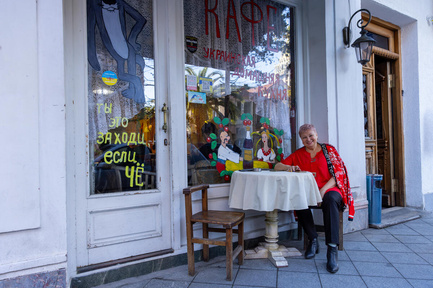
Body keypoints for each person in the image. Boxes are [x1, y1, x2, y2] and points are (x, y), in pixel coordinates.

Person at [274, 124, 354, 273]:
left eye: (311, 135)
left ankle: (331, 250)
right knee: (298, 197)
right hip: (310, 192)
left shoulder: (328, 151)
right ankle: (313, 239)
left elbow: (338, 174)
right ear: (301, 140)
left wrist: (322, 191)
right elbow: (277, 166)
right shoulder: (298, 154)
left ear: (316, 135)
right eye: (304, 137)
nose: (308, 139)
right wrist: (288, 167)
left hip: (330, 189)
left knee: (330, 200)